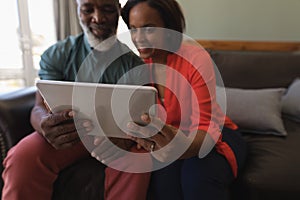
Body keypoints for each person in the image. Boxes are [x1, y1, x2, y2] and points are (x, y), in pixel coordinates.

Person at [1, 0, 151, 199]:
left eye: (107, 9)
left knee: (138, 158)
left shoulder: (133, 65)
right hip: (69, 134)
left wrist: (126, 138)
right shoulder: (59, 54)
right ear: (78, 11)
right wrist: (44, 123)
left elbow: (141, 118)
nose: (98, 18)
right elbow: (38, 107)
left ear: (118, 12)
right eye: (88, 9)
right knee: (23, 156)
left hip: (114, 139)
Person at [121, 0, 248, 199]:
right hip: (170, 142)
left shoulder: (195, 57)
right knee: (164, 187)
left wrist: (177, 146)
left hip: (213, 136)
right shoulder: (136, 67)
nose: (139, 38)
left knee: (197, 179)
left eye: (149, 29)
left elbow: (206, 126)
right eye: (133, 29)